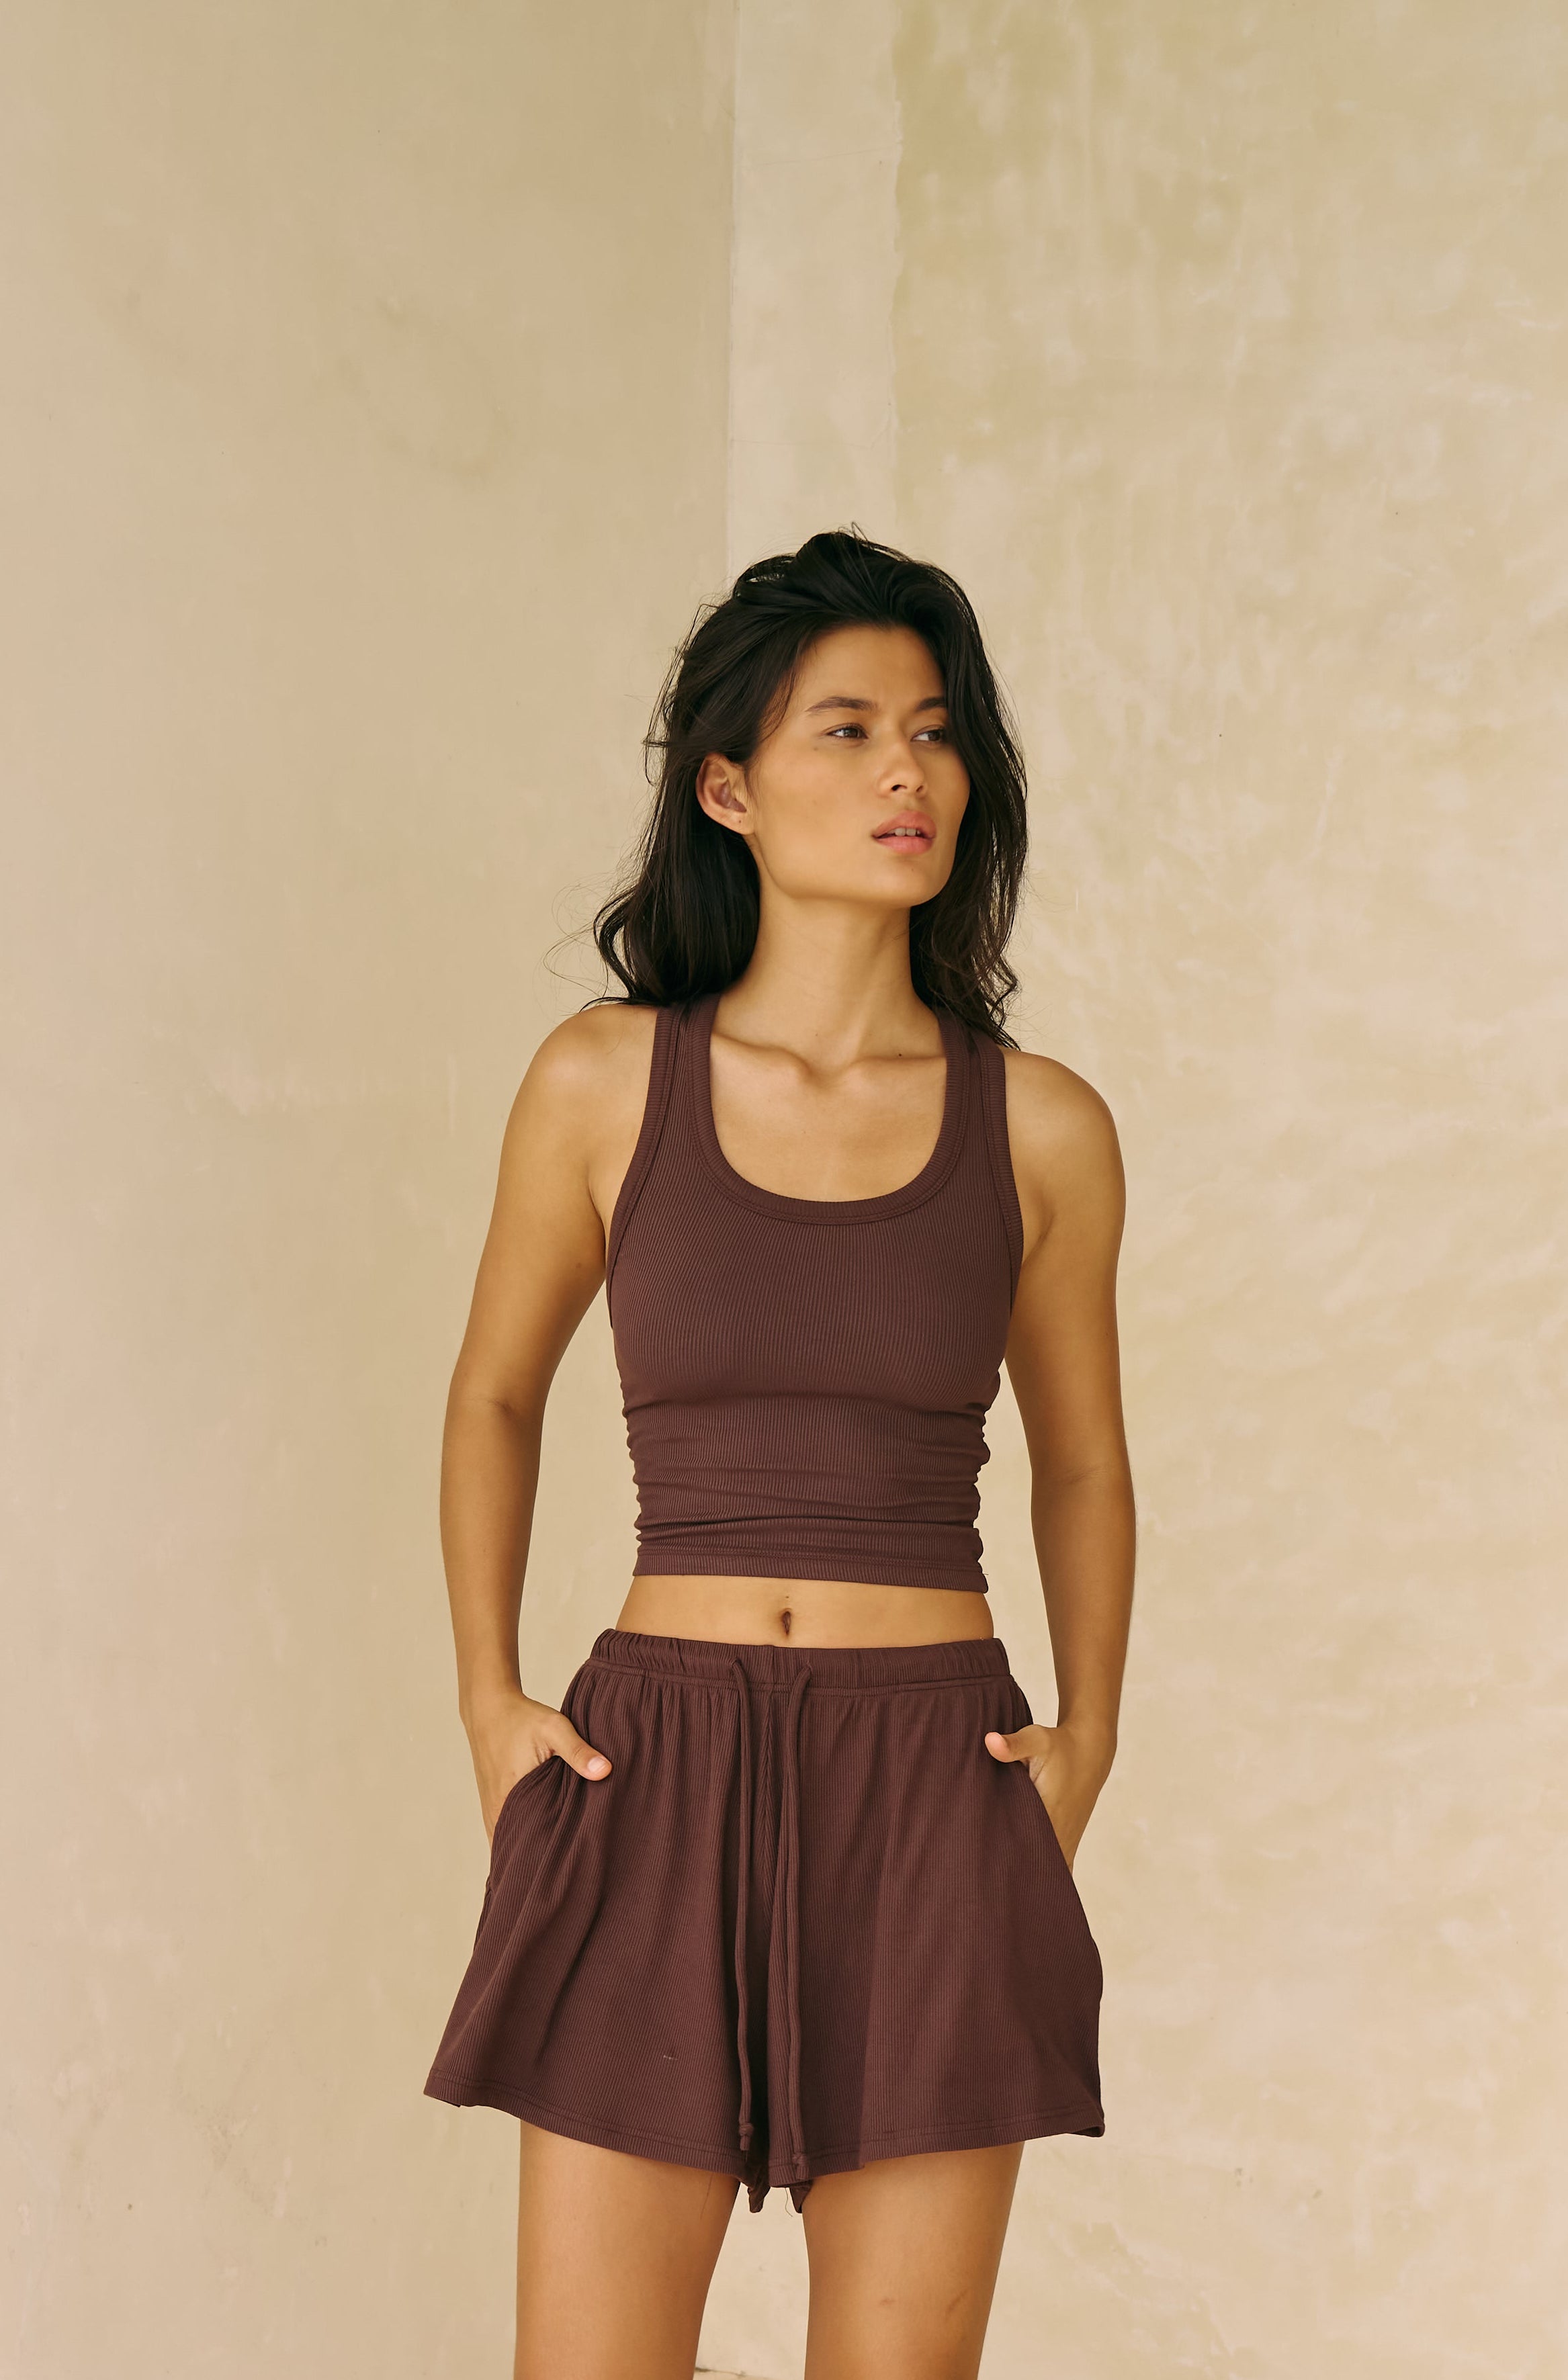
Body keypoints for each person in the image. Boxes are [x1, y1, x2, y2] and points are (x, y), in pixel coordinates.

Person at [423, 528, 1135, 2380]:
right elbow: (497, 1390)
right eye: (847, 731)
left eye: (935, 730)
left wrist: (1090, 1733)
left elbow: (1081, 1462)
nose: (907, 772)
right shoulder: (603, 1082)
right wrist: (493, 1699)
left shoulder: (1041, 1129)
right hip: (653, 1766)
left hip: (931, 1773)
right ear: (727, 785)